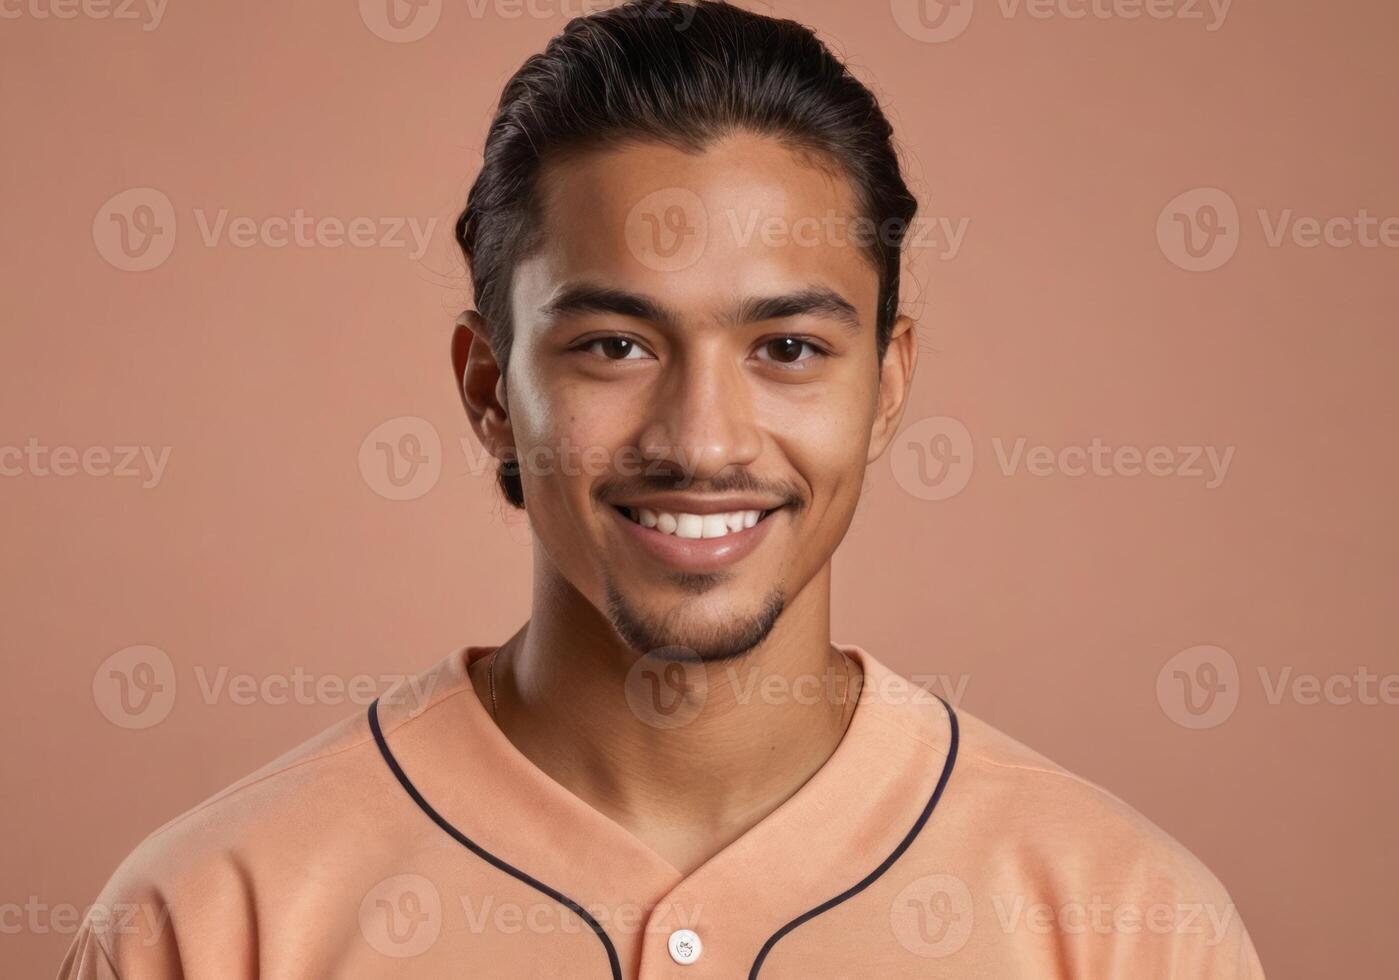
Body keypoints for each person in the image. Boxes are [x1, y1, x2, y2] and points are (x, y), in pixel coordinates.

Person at [60, 1, 1265, 976]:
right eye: (614, 346)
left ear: (886, 385)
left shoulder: (1124, 927)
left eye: (787, 348)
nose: (701, 439)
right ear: (488, 386)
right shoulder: (213, 923)